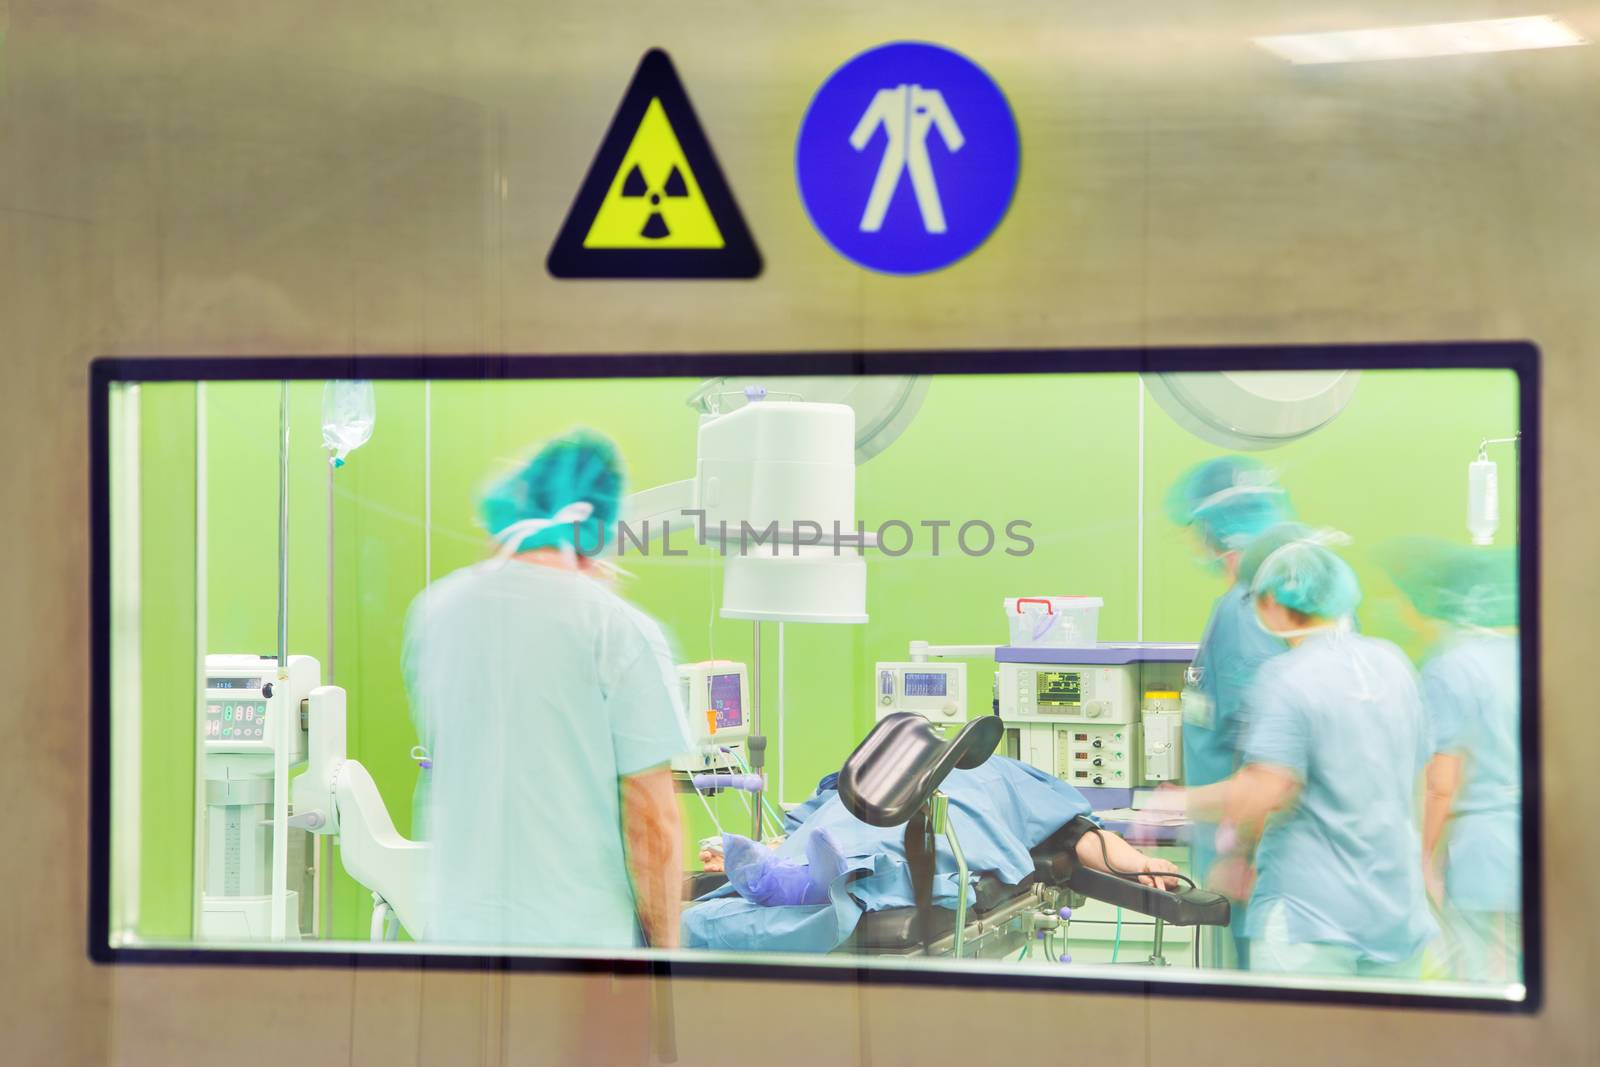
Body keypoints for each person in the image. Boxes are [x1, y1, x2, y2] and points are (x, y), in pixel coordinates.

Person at [402, 429, 691, 949]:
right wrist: (667, 957)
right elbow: (652, 826)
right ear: (597, 528)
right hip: (578, 954)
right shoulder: (616, 628)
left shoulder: (434, 614)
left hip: (456, 945)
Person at [1173, 539, 1438, 978]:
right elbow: (1424, 777)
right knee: (1386, 1046)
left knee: (1300, 1046)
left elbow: (1267, 791)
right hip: (1395, 910)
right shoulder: (1393, 665)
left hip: (1311, 916)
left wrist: (1179, 805)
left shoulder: (1286, 679)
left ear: (1272, 604)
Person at [1163, 456, 1294, 967]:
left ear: (1213, 529)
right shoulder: (1285, 605)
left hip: (1253, 864)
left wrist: (1237, 853)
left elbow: (1261, 754)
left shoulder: (1246, 612)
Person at [1379, 538, 1521, 982]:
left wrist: (1420, 859)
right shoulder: (1530, 655)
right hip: (1539, 850)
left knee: (1484, 985)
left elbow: (1442, 780)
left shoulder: (1452, 665)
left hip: (1484, 855)